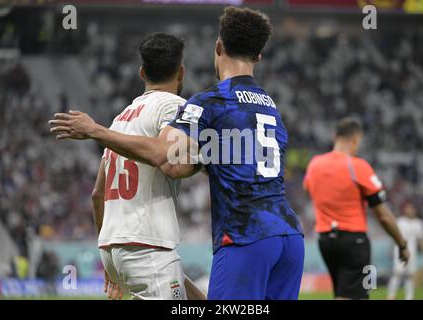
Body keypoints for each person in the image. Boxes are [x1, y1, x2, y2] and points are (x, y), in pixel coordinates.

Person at [49, 6, 305, 300]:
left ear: (218, 46)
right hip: (290, 237)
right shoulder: (272, 108)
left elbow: (166, 159)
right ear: (258, 56)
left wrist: (96, 131)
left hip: (245, 236)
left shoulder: (209, 101)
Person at [59, 32, 204, 300]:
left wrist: (109, 257)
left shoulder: (121, 119)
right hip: (147, 245)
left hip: (115, 247)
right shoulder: (175, 107)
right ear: (181, 72)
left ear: (141, 73)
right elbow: (165, 156)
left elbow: (97, 195)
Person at [303, 117, 410, 300]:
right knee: (357, 295)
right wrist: (402, 244)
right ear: (356, 139)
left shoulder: (314, 165)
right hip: (354, 241)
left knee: (346, 294)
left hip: (326, 241)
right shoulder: (358, 166)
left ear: (334, 136)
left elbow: (308, 189)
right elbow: (383, 215)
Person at [387, 203, 423, 300]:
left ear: (414, 210)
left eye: (411, 208)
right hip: (400, 250)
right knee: (397, 273)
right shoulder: (400, 221)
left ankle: (409, 297)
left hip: (412, 252)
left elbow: (422, 239)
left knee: (410, 276)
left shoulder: (419, 223)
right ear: (404, 210)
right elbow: (394, 235)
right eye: (407, 209)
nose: (409, 211)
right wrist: (390, 249)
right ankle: (391, 296)